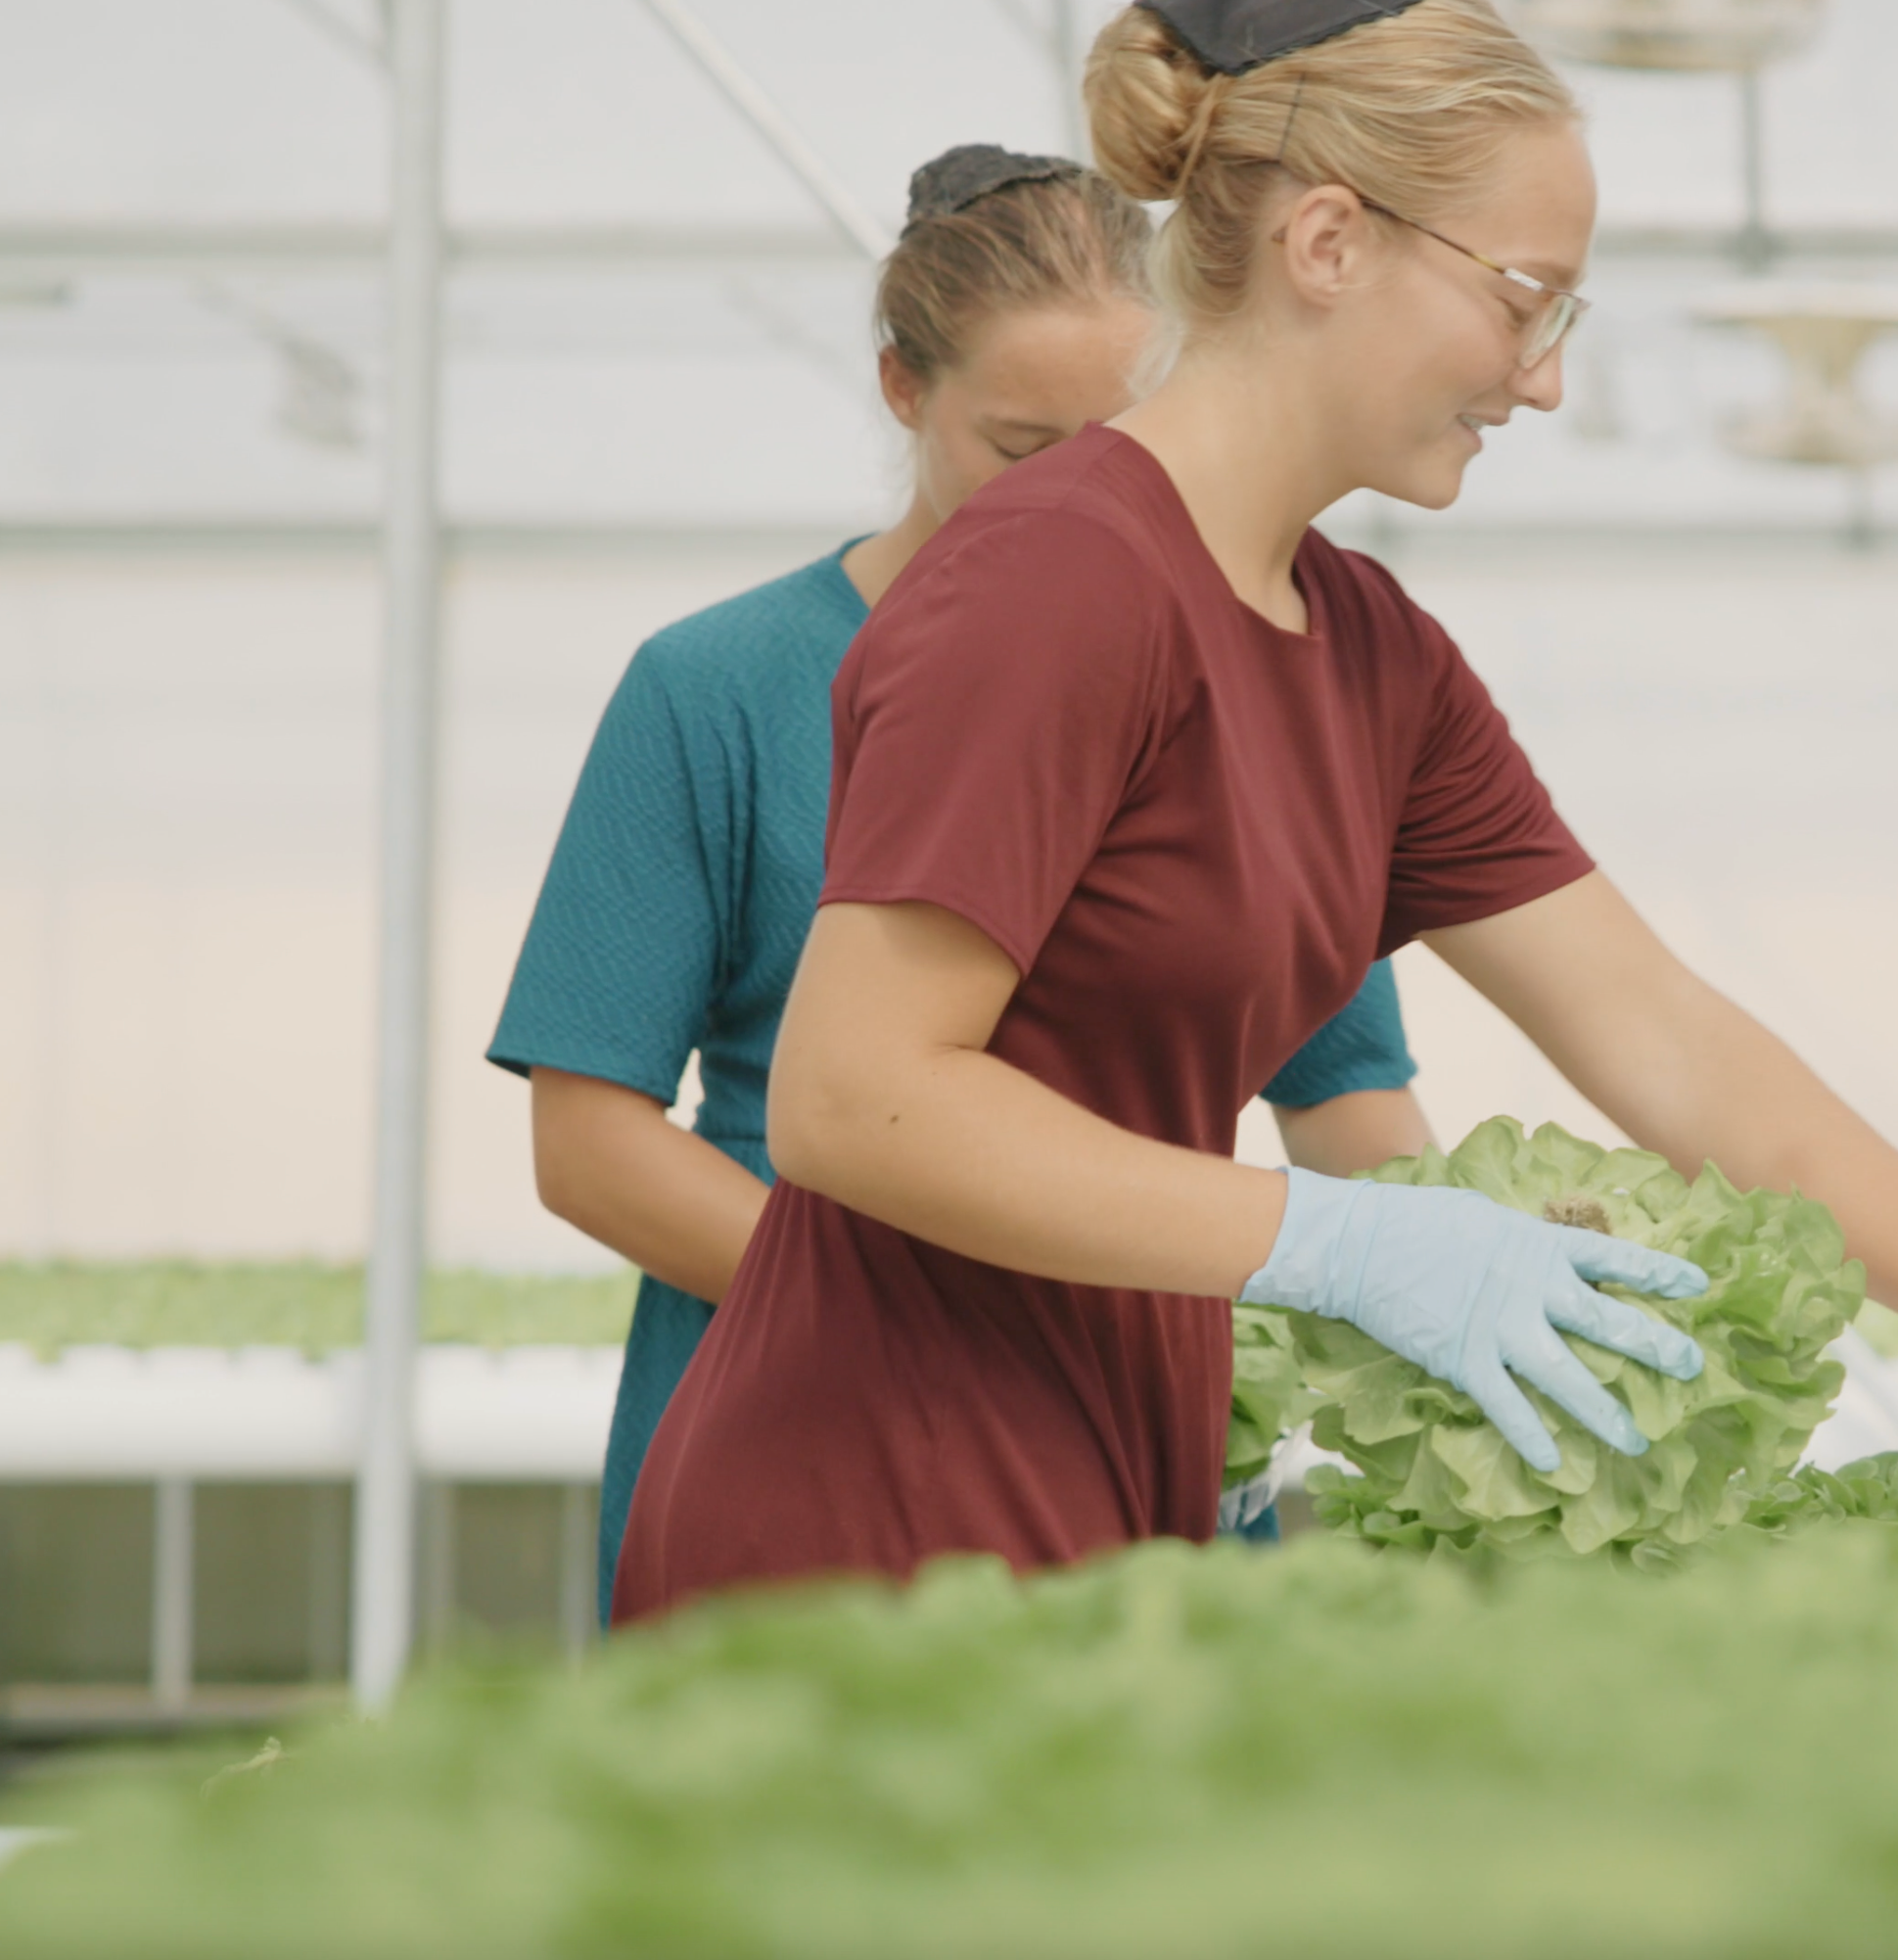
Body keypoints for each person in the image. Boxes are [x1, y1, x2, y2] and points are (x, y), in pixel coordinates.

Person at [613, 0, 1898, 1621]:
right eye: (1523, 299)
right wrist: (1339, 1243)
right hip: (866, 1522)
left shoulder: (1368, 652)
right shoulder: (1054, 580)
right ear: (1328, 241)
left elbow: (1661, 1033)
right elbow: (854, 1101)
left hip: (1115, 1492)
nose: (1549, 377)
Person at [489, 141, 1435, 1619]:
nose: (1077, 498)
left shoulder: (1256, 668)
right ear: (899, 390)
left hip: (1149, 1421)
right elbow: (589, 1135)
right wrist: (907, 1326)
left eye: (1117, 440)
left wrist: (1427, 1305)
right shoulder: (717, 689)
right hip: (803, 1422)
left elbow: (1344, 1088)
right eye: (1018, 443)